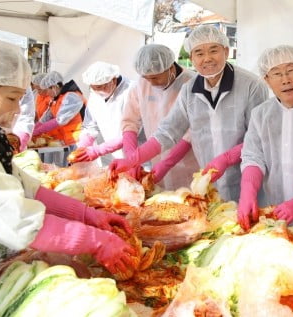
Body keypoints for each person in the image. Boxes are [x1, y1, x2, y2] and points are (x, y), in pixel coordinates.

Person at [0, 40, 135, 317]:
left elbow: (27, 188)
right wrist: (96, 241)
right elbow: (17, 221)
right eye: (11, 98)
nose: (18, 110)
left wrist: (90, 216)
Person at [109, 25, 268, 200]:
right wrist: (132, 160)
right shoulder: (189, 90)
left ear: (226, 50)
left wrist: (227, 158)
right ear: (191, 57)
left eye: (213, 51)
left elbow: (259, 136)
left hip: (247, 176)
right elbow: (167, 132)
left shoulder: (252, 85)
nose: (207, 59)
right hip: (208, 179)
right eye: (199, 53)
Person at [237, 45, 293, 236]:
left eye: (290, 70)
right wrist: (248, 192)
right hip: (276, 213)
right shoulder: (261, 114)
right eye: (277, 73)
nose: (285, 79)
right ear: (267, 80)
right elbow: (253, 157)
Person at [115, 44, 200, 189]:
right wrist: (132, 159)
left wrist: (167, 163)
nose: (151, 83)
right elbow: (130, 122)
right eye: (146, 78)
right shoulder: (141, 85)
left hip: (190, 163)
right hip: (155, 155)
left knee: (190, 199)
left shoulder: (193, 84)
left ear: (170, 67)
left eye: (155, 77)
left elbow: (191, 132)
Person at [69, 61, 133, 166]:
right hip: (114, 158)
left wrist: (98, 150)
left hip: (140, 156)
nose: (96, 91)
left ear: (113, 80)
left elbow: (131, 132)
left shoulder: (131, 91)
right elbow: (90, 126)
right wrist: (82, 147)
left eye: (99, 87)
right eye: (92, 88)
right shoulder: (95, 95)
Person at [33, 71, 86, 148]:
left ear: (54, 87)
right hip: (67, 139)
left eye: (47, 90)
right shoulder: (56, 98)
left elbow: (60, 120)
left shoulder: (71, 97)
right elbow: (46, 117)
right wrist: (34, 129)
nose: (47, 93)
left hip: (78, 139)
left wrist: (38, 131)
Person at [13, 73, 46, 152]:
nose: (38, 91)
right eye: (36, 88)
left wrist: (37, 129)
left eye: (39, 88)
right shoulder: (37, 95)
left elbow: (51, 117)